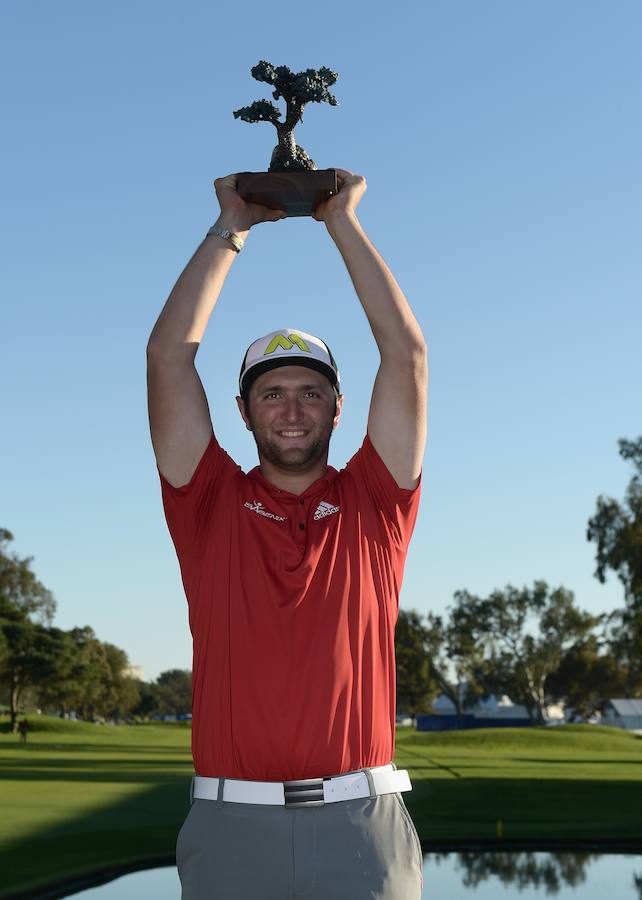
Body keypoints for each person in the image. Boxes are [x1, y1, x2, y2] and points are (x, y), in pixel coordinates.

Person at [147, 169, 428, 899]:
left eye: (311, 393)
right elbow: (167, 358)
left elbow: (407, 357)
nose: (293, 409)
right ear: (244, 412)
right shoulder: (206, 500)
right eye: (272, 393)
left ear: (339, 409)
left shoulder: (377, 501)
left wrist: (343, 220)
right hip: (229, 827)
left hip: (362, 825)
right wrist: (230, 226)